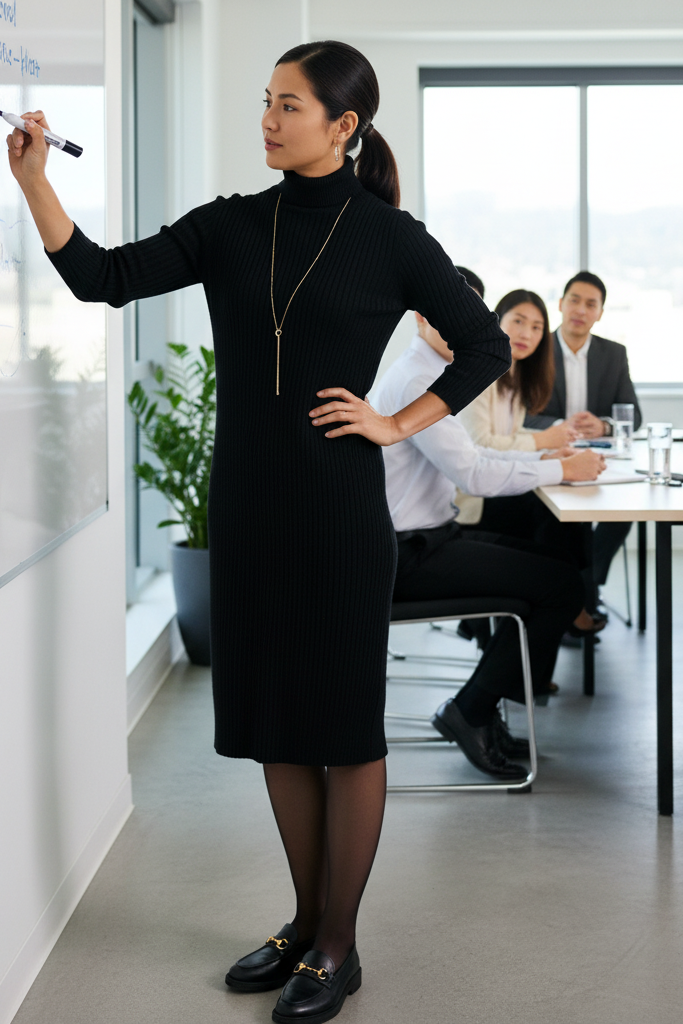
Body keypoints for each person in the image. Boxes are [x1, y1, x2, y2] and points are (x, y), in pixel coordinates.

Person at [7, 41, 512, 1024]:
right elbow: (102, 277)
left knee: (341, 725)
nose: (269, 119)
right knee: (277, 720)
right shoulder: (230, 227)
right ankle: (299, 919)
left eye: (288, 104)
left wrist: (395, 422)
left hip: (335, 514)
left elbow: (483, 340)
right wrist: (32, 184)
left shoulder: (388, 237)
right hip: (244, 507)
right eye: (265, 102)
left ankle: (338, 944)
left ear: (342, 124)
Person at [372, 312, 606, 777]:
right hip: (409, 554)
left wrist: (543, 455)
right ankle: (472, 710)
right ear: (420, 318)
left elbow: (473, 455)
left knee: (558, 563)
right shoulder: (418, 380)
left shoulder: (430, 372)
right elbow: (473, 475)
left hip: (431, 537)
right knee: (560, 585)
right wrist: (562, 470)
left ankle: (480, 706)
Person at [456, 291, 600, 626]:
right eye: (518, 321)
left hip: (496, 484)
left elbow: (509, 440)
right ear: (496, 320)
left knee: (564, 506)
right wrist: (542, 443)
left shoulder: (516, 377)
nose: (526, 334)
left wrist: (546, 453)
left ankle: (570, 599)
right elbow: (481, 443)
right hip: (473, 498)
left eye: (536, 327)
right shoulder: (480, 372)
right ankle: (569, 601)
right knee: (549, 513)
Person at [524, 272, 642, 606]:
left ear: (600, 313)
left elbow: (634, 414)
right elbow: (519, 415)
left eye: (591, 304)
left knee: (623, 511)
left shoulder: (614, 353)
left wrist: (603, 426)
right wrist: (562, 425)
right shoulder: (536, 348)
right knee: (560, 521)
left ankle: (586, 584)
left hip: (600, 461)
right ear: (560, 305)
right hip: (551, 455)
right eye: (574, 300)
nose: (581, 309)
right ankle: (577, 597)